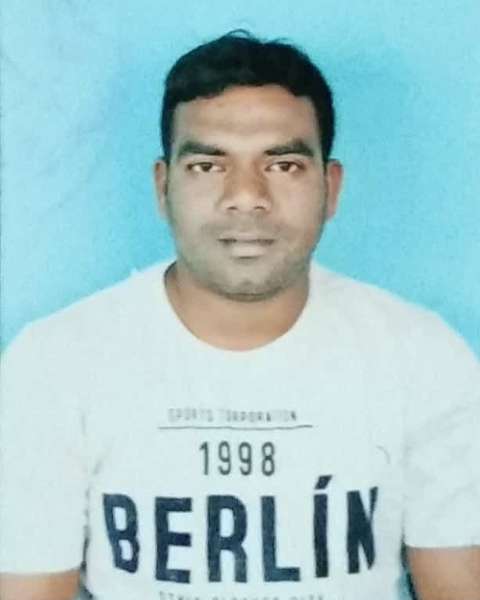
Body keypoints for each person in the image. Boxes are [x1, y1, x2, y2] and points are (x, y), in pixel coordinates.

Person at [0, 30, 479, 600]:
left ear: (330, 188)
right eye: (207, 166)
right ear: (162, 188)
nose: (246, 196)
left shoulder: (422, 357)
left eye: (284, 165)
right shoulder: (55, 363)